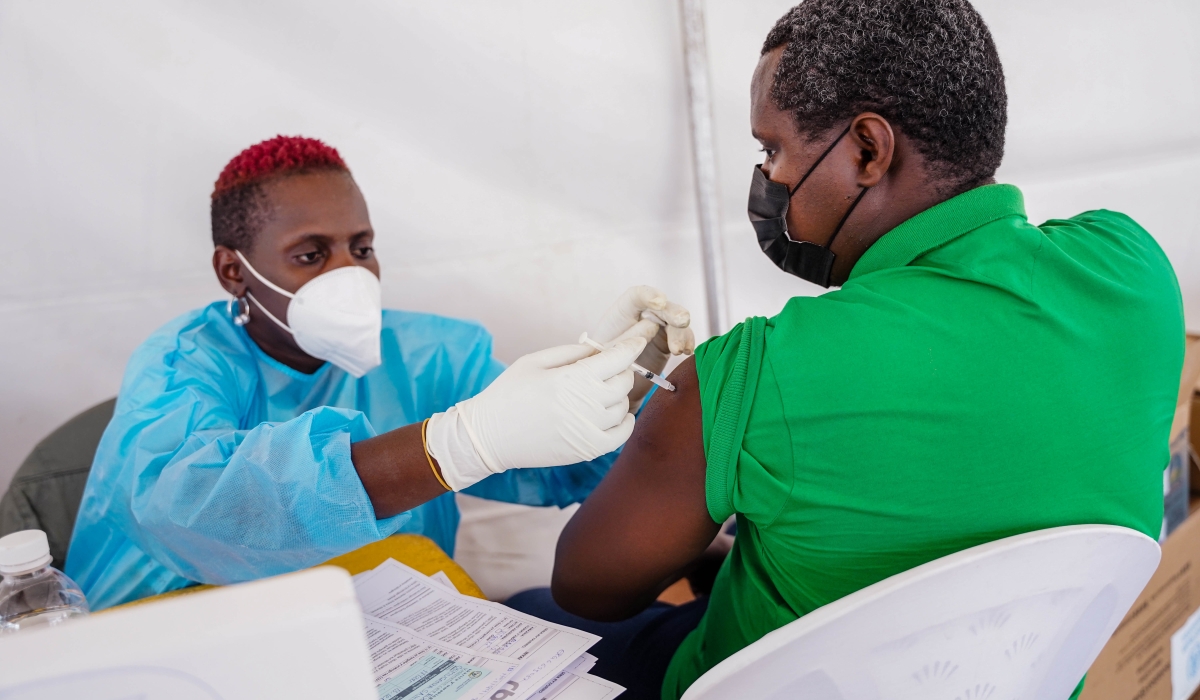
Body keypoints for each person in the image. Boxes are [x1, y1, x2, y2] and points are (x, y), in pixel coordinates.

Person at [507, 1, 1186, 699]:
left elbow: (589, 586)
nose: (767, 180)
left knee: (526, 613)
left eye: (773, 150)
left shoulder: (751, 374)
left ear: (868, 149)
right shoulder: (1132, 271)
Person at [65, 136, 695, 610]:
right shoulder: (184, 364)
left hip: (384, 628)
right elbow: (185, 506)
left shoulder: (428, 355)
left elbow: (558, 467)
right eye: (311, 255)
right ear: (234, 271)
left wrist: (619, 395)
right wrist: (452, 446)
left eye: (361, 248)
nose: (350, 275)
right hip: (186, 628)